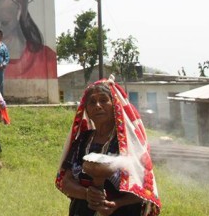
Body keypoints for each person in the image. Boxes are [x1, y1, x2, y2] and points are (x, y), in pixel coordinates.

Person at [55, 78, 161, 216]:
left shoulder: (128, 143)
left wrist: (116, 204)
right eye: (92, 102)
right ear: (86, 109)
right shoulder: (82, 140)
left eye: (104, 100)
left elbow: (144, 190)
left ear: (115, 105)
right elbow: (66, 182)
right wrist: (87, 194)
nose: (98, 105)